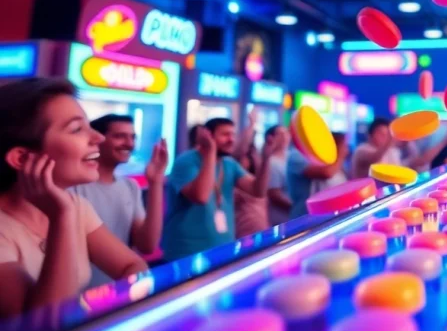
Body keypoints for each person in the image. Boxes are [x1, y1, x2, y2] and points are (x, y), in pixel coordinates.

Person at [0, 78, 148, 317]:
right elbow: (45, 325)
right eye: (77, 129)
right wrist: (62, 216)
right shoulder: (65, 210)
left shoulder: (77, 206)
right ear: (22, 158)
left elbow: (133, 266)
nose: (98, 138)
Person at [69, 114, 168, 288]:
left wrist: (156, 181)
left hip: (115, 293)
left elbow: (147, 245)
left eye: (132, 137)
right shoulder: (73, 187)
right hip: (76, 297)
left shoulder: (130, 186)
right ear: (97, 139)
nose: (129, 144)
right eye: (119, 136)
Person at [161, 117, 272, 260]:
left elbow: (258, 191)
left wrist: (266, 159)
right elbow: (201, 196)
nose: (231, 139)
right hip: (187, 253)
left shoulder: (229, 164)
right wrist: (210, 151)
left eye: (233, 135)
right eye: (225, 135)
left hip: (223, 249)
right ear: (207, 135)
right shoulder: (186, 161)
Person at [233, 114, 290, 238]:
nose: (286, 137)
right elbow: (239, 152)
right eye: (281, 134)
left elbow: (260, 191)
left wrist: (265, 158)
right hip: (245, 233)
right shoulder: (236, 174)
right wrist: (251, 125)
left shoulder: (260, 171)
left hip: (262, 229)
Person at [352, 118, 447, 180]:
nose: (385, 137)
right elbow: (374, 157)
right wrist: (392, 137)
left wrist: (409, 138)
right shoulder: (362, 150)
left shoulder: (392, 151)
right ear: (370, 135)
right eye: (381, 134)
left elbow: (417, 161)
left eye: (387, 134)